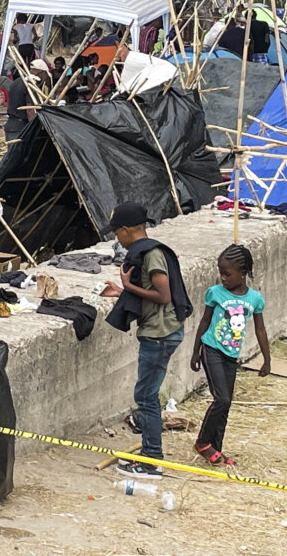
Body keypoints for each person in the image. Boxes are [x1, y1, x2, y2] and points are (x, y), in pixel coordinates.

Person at [103, 203, 192, 480]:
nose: (117, 238)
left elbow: (163, 295)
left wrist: (129, 287)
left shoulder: (151, 254)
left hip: (159, 334)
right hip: (163, 330)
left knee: (146, 396)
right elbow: (152, 291)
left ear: (127, 230)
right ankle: (150, 450)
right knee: (147, 393)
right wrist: (122, 291)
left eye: (117, 232)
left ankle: (152, 459)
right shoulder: (149, 249)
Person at [190, 244, 270, 466]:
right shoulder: (215, 293)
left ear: (242, 273)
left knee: (226, 404)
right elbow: (205, 321)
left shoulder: (255, 299)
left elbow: (260, 329)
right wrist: (195, 351)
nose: (222, 278)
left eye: (227, 273)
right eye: (220, 272)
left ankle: (217, 449)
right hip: (211, 348)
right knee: (221, 398)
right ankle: (203, 442)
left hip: (230, 354)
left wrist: (267, 359)